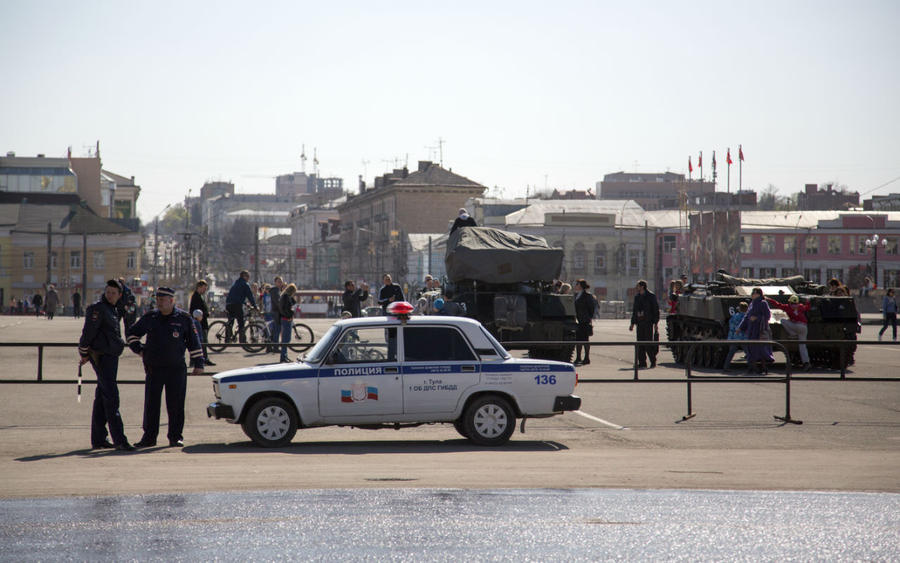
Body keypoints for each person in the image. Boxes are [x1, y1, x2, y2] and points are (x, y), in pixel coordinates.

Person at [127, 287, 204, 448]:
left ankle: (175, 437)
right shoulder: (151, 317)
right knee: (151, 405)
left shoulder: (183, 318)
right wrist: (140, 350)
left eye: (162, 300)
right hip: (154, 368)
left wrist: (198, 363)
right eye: (158, 300)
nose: (159, 303)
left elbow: (193, 341)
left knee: (176, 405)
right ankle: (149, 438)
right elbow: (132, 334)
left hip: (176, 369)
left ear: (171, 300)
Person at [78, 279, 134, 451]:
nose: (110, 295)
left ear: (119, 295)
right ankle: (119, 439)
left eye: (114, 293)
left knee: (102, 398)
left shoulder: (113, 309)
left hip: (110, 356)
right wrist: (84, 352)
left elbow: (129, 308)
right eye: (108, 292)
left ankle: (99, 438)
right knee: (111, 397)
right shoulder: (98, 309)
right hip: (101, 357)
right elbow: (88, 332)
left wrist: (126, 294)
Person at [766, 294, 812, 371]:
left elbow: (778, 305)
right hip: (804, 327)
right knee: (802, 346)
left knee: (783, 320)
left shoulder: (787, 307)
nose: (794, 305)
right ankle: (806, 362)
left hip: (797, 326)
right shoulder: (800, 306)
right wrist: (808, 301)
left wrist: (769, 299)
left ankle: (792, 334)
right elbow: (807, 307)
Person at [738, 287, 774, 374]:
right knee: (751, 349)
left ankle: (762, 367)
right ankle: (752, 367)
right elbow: (746, 317)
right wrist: (740, 327)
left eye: (753, 293)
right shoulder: (752, 304)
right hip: (751, 330)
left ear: (758, 294)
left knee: (761, 350)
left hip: (759, 330)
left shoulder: (763, 303)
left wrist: (757, 318)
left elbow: (767, 316)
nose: (752, 295)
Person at [629, 279, 659, 368]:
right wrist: (632, 323)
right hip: (640, 323)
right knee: (640, 343)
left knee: (648, 343)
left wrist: (656, 323)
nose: (636, 287)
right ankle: (642, 362)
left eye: (638, 286)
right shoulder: (637, 297)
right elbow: (635, 311)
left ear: (642, 286)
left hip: (648, 322)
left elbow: (655, 310)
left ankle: (653, 361)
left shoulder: (651, 296)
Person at [225, 270, 257, 343]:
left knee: (231, 321)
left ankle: (227, 339)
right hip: (236, 305)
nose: (249, 278)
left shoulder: (236, 283)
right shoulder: (245, 284)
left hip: (229, 304)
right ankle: (242, 340)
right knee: (241, 323)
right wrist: (254, 306)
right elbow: (250, 296)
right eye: (248, 276)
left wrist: (245, 303)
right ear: (244, 276)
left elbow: (237, 296)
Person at [189, 279, 214, 366]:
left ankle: (203, 359)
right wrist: (205, 314)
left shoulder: (200, 296)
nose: (205, 290)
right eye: (204, 288)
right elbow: (195, 310)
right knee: (201, 342)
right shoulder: (196, 296)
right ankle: (201, 359)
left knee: (202, 341)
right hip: (199, 323)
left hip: (202, 322)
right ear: (199, 287)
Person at [574, 279, 598, 366]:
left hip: (584, 320)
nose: (575, 285)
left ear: (580, 285)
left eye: (577, 284)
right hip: (578, 320)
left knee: (585, 340)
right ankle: (578, 357)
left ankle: (586, 358)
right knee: (578, 340)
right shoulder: (576, 295)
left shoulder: (588, 296)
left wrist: (589, 318)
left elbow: (591, 308)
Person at [723, 301, 749, 371]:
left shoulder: (734, 316)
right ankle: (751, 367)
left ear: (739, 309)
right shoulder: (747, 317)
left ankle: (726, 367)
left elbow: (731, 327)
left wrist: (730, 337)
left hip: (735, 337)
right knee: (748, 353)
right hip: (744, 337)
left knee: (731, 352)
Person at [277, 283, 298, 362]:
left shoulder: (285, 296)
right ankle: (283, 357)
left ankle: (285, 355)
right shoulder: (286, 297)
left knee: (285, 339)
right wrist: (289, 316)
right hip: (286, 319)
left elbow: (293, 303)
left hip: (285, 318)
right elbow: (286, 308)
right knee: (286, 339)